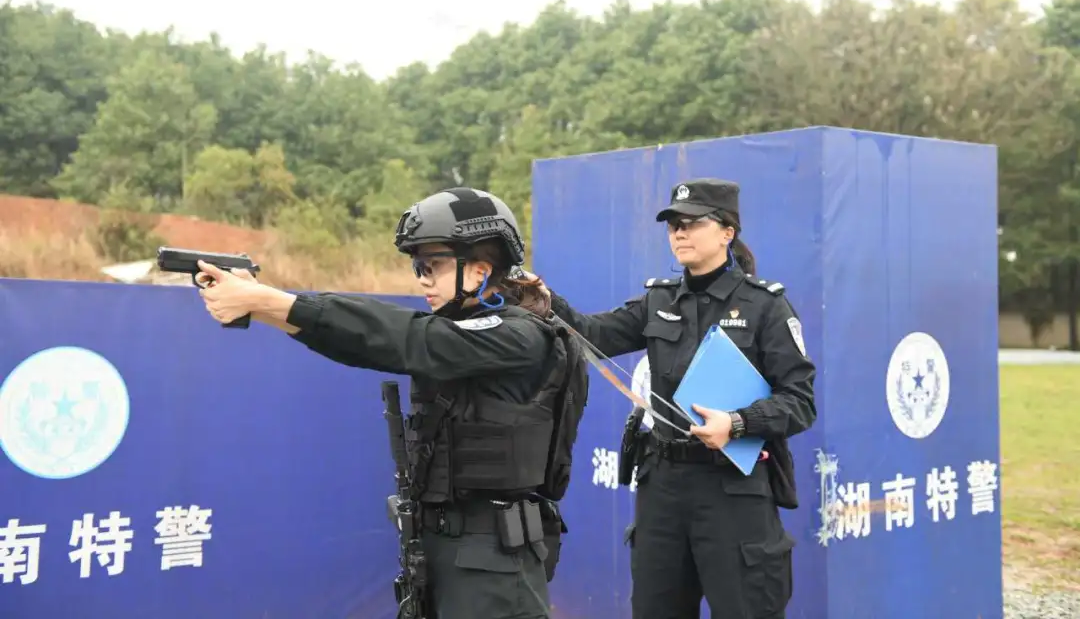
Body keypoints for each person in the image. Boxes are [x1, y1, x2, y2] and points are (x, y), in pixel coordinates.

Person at [194, 187, 587, 619]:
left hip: (492, 566)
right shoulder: (465, 328)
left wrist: (269, 301)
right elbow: (369, 345)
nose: (421, 278)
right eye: (418, 266)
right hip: (443, 552)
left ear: (478, 271)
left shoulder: (518, 334)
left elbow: (409, 338)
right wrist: (264, 305)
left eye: (432, 266)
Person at [531, 177, 816, 619]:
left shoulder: (766, 307)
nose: (679, 232)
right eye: (672, 224)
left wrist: (737, 423)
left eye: (692, 222)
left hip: (733, 491)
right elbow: (594, 333)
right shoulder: (658, 299)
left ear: (727, 232)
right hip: (662, 489)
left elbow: (800, 401)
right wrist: (547, 305)